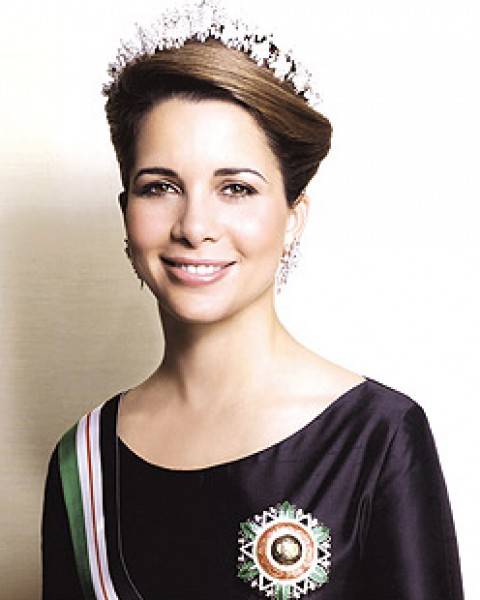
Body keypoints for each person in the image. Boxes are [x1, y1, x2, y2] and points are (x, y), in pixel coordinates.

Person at [41, 1, 465, 598]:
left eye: (236, 188)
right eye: (160, 187)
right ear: (126, 213)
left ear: (292, 217)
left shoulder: (376, 436)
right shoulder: (82, 462)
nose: (195, 226)